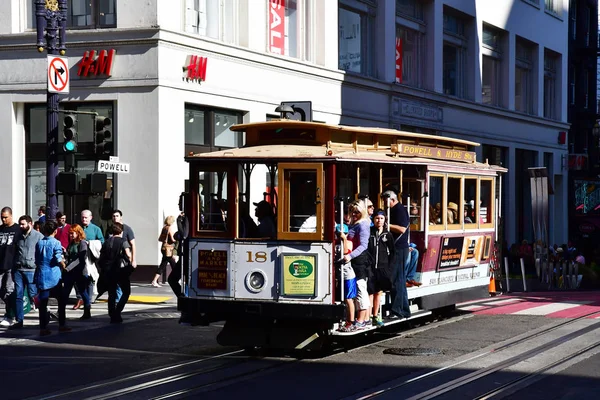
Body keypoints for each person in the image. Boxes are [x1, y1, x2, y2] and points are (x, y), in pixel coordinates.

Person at [340, 200, 371, 329]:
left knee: (360, 288)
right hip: (353, 260)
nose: (354, 214)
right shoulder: (354, 224)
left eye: (357, 212)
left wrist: (349, 256)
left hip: (359, 261)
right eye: (352, 212)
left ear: (362, 212)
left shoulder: (362, 224)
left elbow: (363, 245)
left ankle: (362, 320)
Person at [34, 220, 70, 336]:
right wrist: (64, 266)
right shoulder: (56, 243)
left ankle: (43, 327)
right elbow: (58, 259)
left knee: (43, 303)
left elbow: (36, 258)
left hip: (42, 274)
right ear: (55, 231)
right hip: (54, 275)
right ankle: (62, 324)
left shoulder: (39, 243)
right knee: (61, 300)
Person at [11, 215, 43, 329]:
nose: (21, 226)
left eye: (23, 224)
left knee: (33, 294)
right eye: (20, 224)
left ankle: (44, 315)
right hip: (18, 269)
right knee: (18, 295)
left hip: (31, 269)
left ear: (30, 223)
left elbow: (42, 252)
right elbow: (14, 251)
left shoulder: (38, 236)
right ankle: (19, 320)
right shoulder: (18, 235)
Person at [383, 190, 411, 319]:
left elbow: (402, 229)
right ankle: (404, 310)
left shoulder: (399, 210)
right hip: (399, 248)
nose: (384, 203)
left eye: (385, 200)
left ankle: (397, 310)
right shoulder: (396, 209)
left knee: (396, 279)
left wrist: (387, 225)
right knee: (399, 279)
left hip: (399, 248)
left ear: (392, 200)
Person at [97, 222, 133, 323]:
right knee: (126, 292)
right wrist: (130, 262)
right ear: (121, 231)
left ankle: (112, 314)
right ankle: (118, 311)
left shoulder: (107, 242)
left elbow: (102, 256)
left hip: (108, 270)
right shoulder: (123, 241)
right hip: (120, 270)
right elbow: (128, 254)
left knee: (111, 293)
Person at [367, 209, 395, 327]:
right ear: (373, 220)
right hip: (371, 267)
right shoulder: (370, 233)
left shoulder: (387, 234)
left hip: (382, 267)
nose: (379, 221)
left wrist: (389, 267)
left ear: (385, 220)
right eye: (377, 218)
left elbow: (393, 252)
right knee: (370, 292)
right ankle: (367, 316)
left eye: (381, 218)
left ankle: (376, 315)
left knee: (378, 292)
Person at [63, 224, 92, 320]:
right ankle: (61, 312)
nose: (70, 235)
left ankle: (87, 311)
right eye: (70, 233)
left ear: (78, 233)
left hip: (79, 271)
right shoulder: (71, 243)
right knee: (65, 292)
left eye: (72, 233)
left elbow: (80, 259)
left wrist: (68, 267)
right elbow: (69, 256)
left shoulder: (82, 243)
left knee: (83, 292)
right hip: (70, 272)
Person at [0, 206, 21, 327]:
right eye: (2, 218)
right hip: (1, 263)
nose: (3, 220)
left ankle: (10, 314)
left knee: (9, 290)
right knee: (2, 291)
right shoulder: (0, 229)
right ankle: (11, 310)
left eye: (5, 217)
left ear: (11, 215)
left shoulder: (17, 229)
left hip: (11, 264)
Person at [336, 224, 358, 332]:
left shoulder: (349, 242)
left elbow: (346, 252)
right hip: (340, 275)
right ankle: (344, 319)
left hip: (348, 275)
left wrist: (344, 239)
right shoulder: (335, 244)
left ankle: (352, 320)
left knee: (349, 299)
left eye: (344, 233)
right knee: (343, 298)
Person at [168, 212, 189, 297]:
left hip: (187, 256)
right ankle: (183, 297)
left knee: (173, 279)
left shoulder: (187, 218)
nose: (178, 204)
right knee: (173, 279)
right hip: (184, 255)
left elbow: (184, 234)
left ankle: (184, 298)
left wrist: (178, 221)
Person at [153, 216, 176, 287]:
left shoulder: (164, 228)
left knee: (163, 265)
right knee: (173, 265)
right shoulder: (169, 228)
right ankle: (175, 279)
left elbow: (161, 238)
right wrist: (177, 240)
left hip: (163, 248)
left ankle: (154, 281)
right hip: (168, 249)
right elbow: (172, 239)